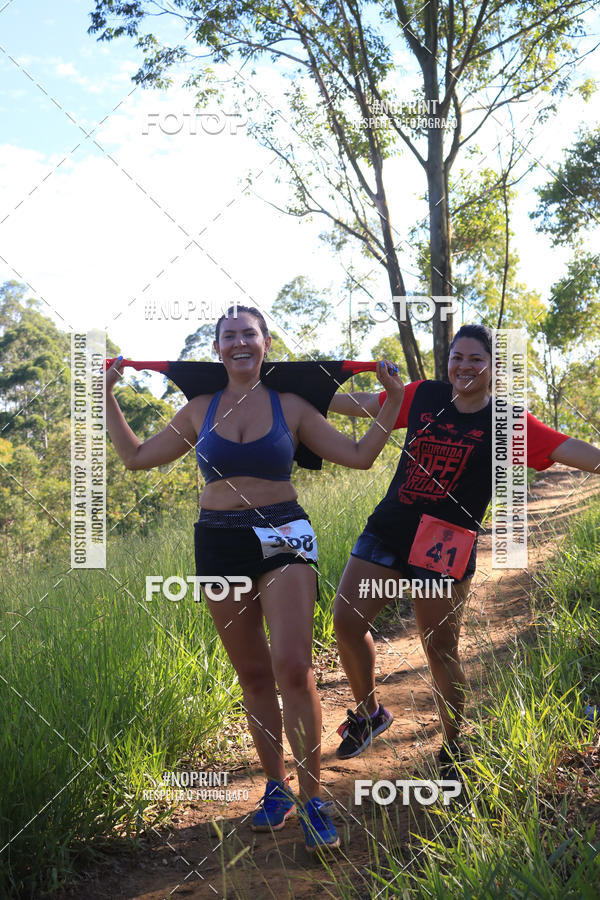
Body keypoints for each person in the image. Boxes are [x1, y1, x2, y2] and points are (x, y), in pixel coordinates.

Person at [105, 304, 405, 852]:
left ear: (266, 342)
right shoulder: (199, 408)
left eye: (249, 334)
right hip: (218, 539)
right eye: (228, 336)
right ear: (218, 348)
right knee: (252, 673)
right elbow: (136, 457)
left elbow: (360, 456)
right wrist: (106, 393)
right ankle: (276, 785)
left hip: (284, 534)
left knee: (293, 667)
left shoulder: (291, 406)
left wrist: (395, 401)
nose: (239, 343)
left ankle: (314, 798)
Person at [328, 323, 600, 777]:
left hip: (445, 542)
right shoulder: (422, 396)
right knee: (346, 621)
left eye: (476, 359)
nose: (464, 367)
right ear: (447, 361)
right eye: (458, 357)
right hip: (389, 528)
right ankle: (370, 712)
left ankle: (455, 744)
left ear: (493, 368)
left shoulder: (509, 423)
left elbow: (568, 448)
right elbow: (366, 406)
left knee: (439, 648)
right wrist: (305, 394)